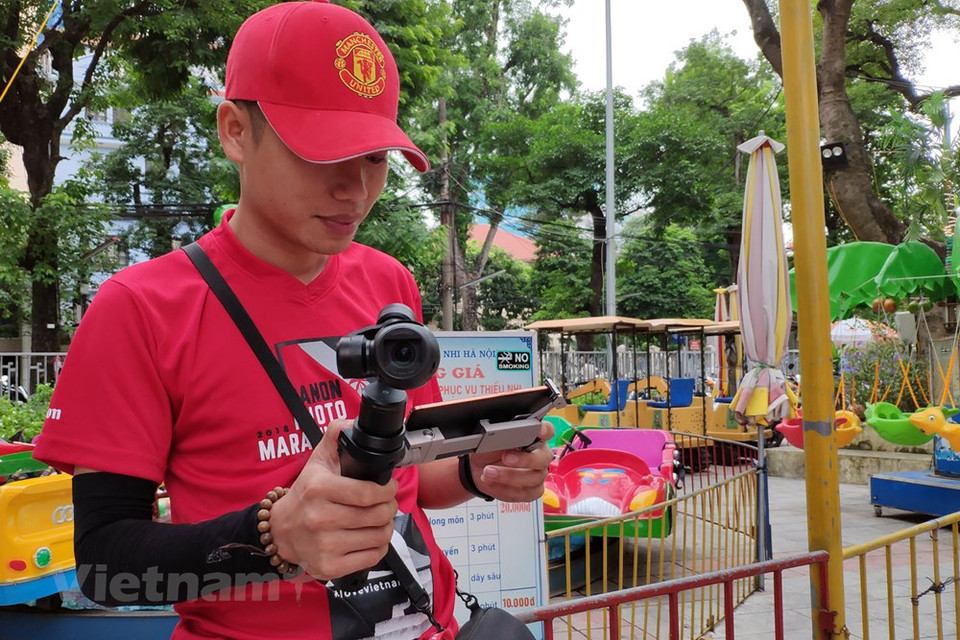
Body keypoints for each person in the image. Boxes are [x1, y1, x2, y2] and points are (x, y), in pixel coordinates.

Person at [33, 2, 554, 638]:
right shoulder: (140, 308)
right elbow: (108, 570)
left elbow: (410, 485)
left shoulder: (388, 283)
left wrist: (481, 470)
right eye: (321, 152)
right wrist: (274, 538)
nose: (354, 189)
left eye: (374, 158)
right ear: (234, 131)